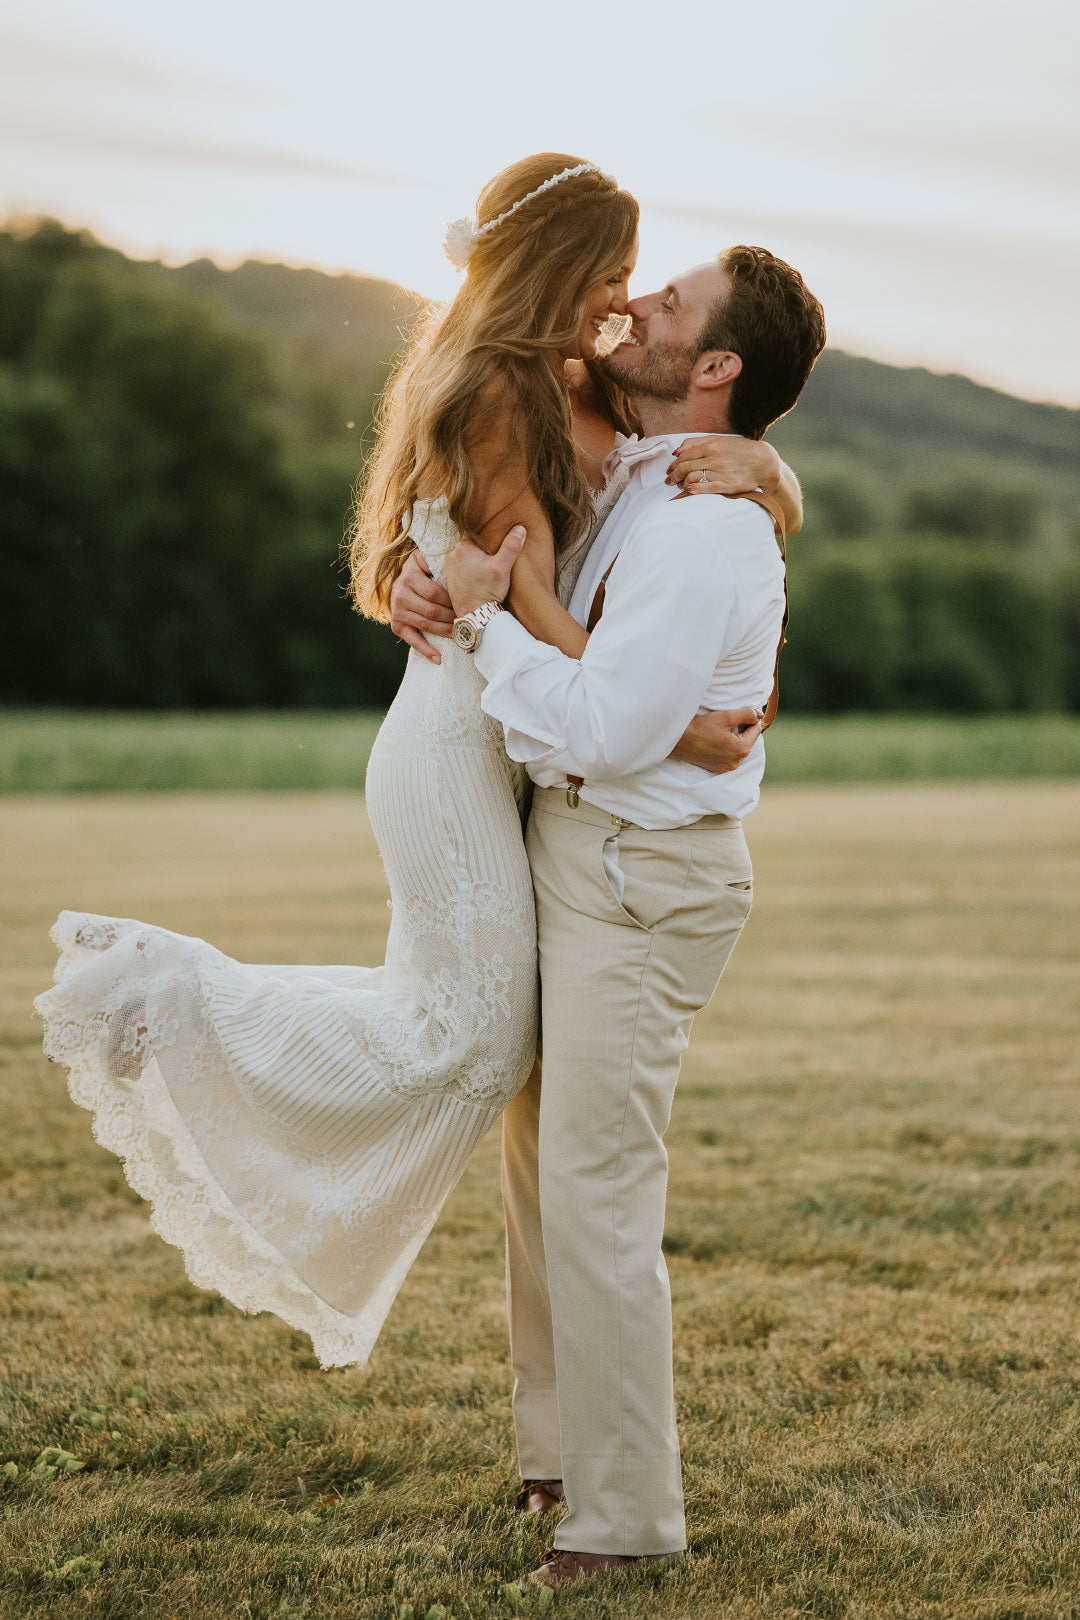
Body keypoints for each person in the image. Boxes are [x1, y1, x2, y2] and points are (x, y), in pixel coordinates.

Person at [32, 153, 801, 1377]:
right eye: (610, 273)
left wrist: (776, 473)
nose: (624, 299)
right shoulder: (497, 389)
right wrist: (647, 705)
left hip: (516, 740)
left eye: (639, 284)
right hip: (458, 741)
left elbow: (679, 471)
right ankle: (163, 1002)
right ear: (558, 269)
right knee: (473, 1043)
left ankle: (172, 1007)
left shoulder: (570, 376)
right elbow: (522, 594)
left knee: (456, 1025)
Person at [434, 244, 826, 1588]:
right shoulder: (651, 471)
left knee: (599, 1187)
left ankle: (626, 1522)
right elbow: (483, 325)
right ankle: (557, 1452)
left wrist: (486, 633)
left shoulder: (713, 522)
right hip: (580, 848)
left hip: (636, 880)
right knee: (540, 1169)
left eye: (671, 304)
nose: (639, 301)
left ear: (715, 367)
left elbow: (605, 726)